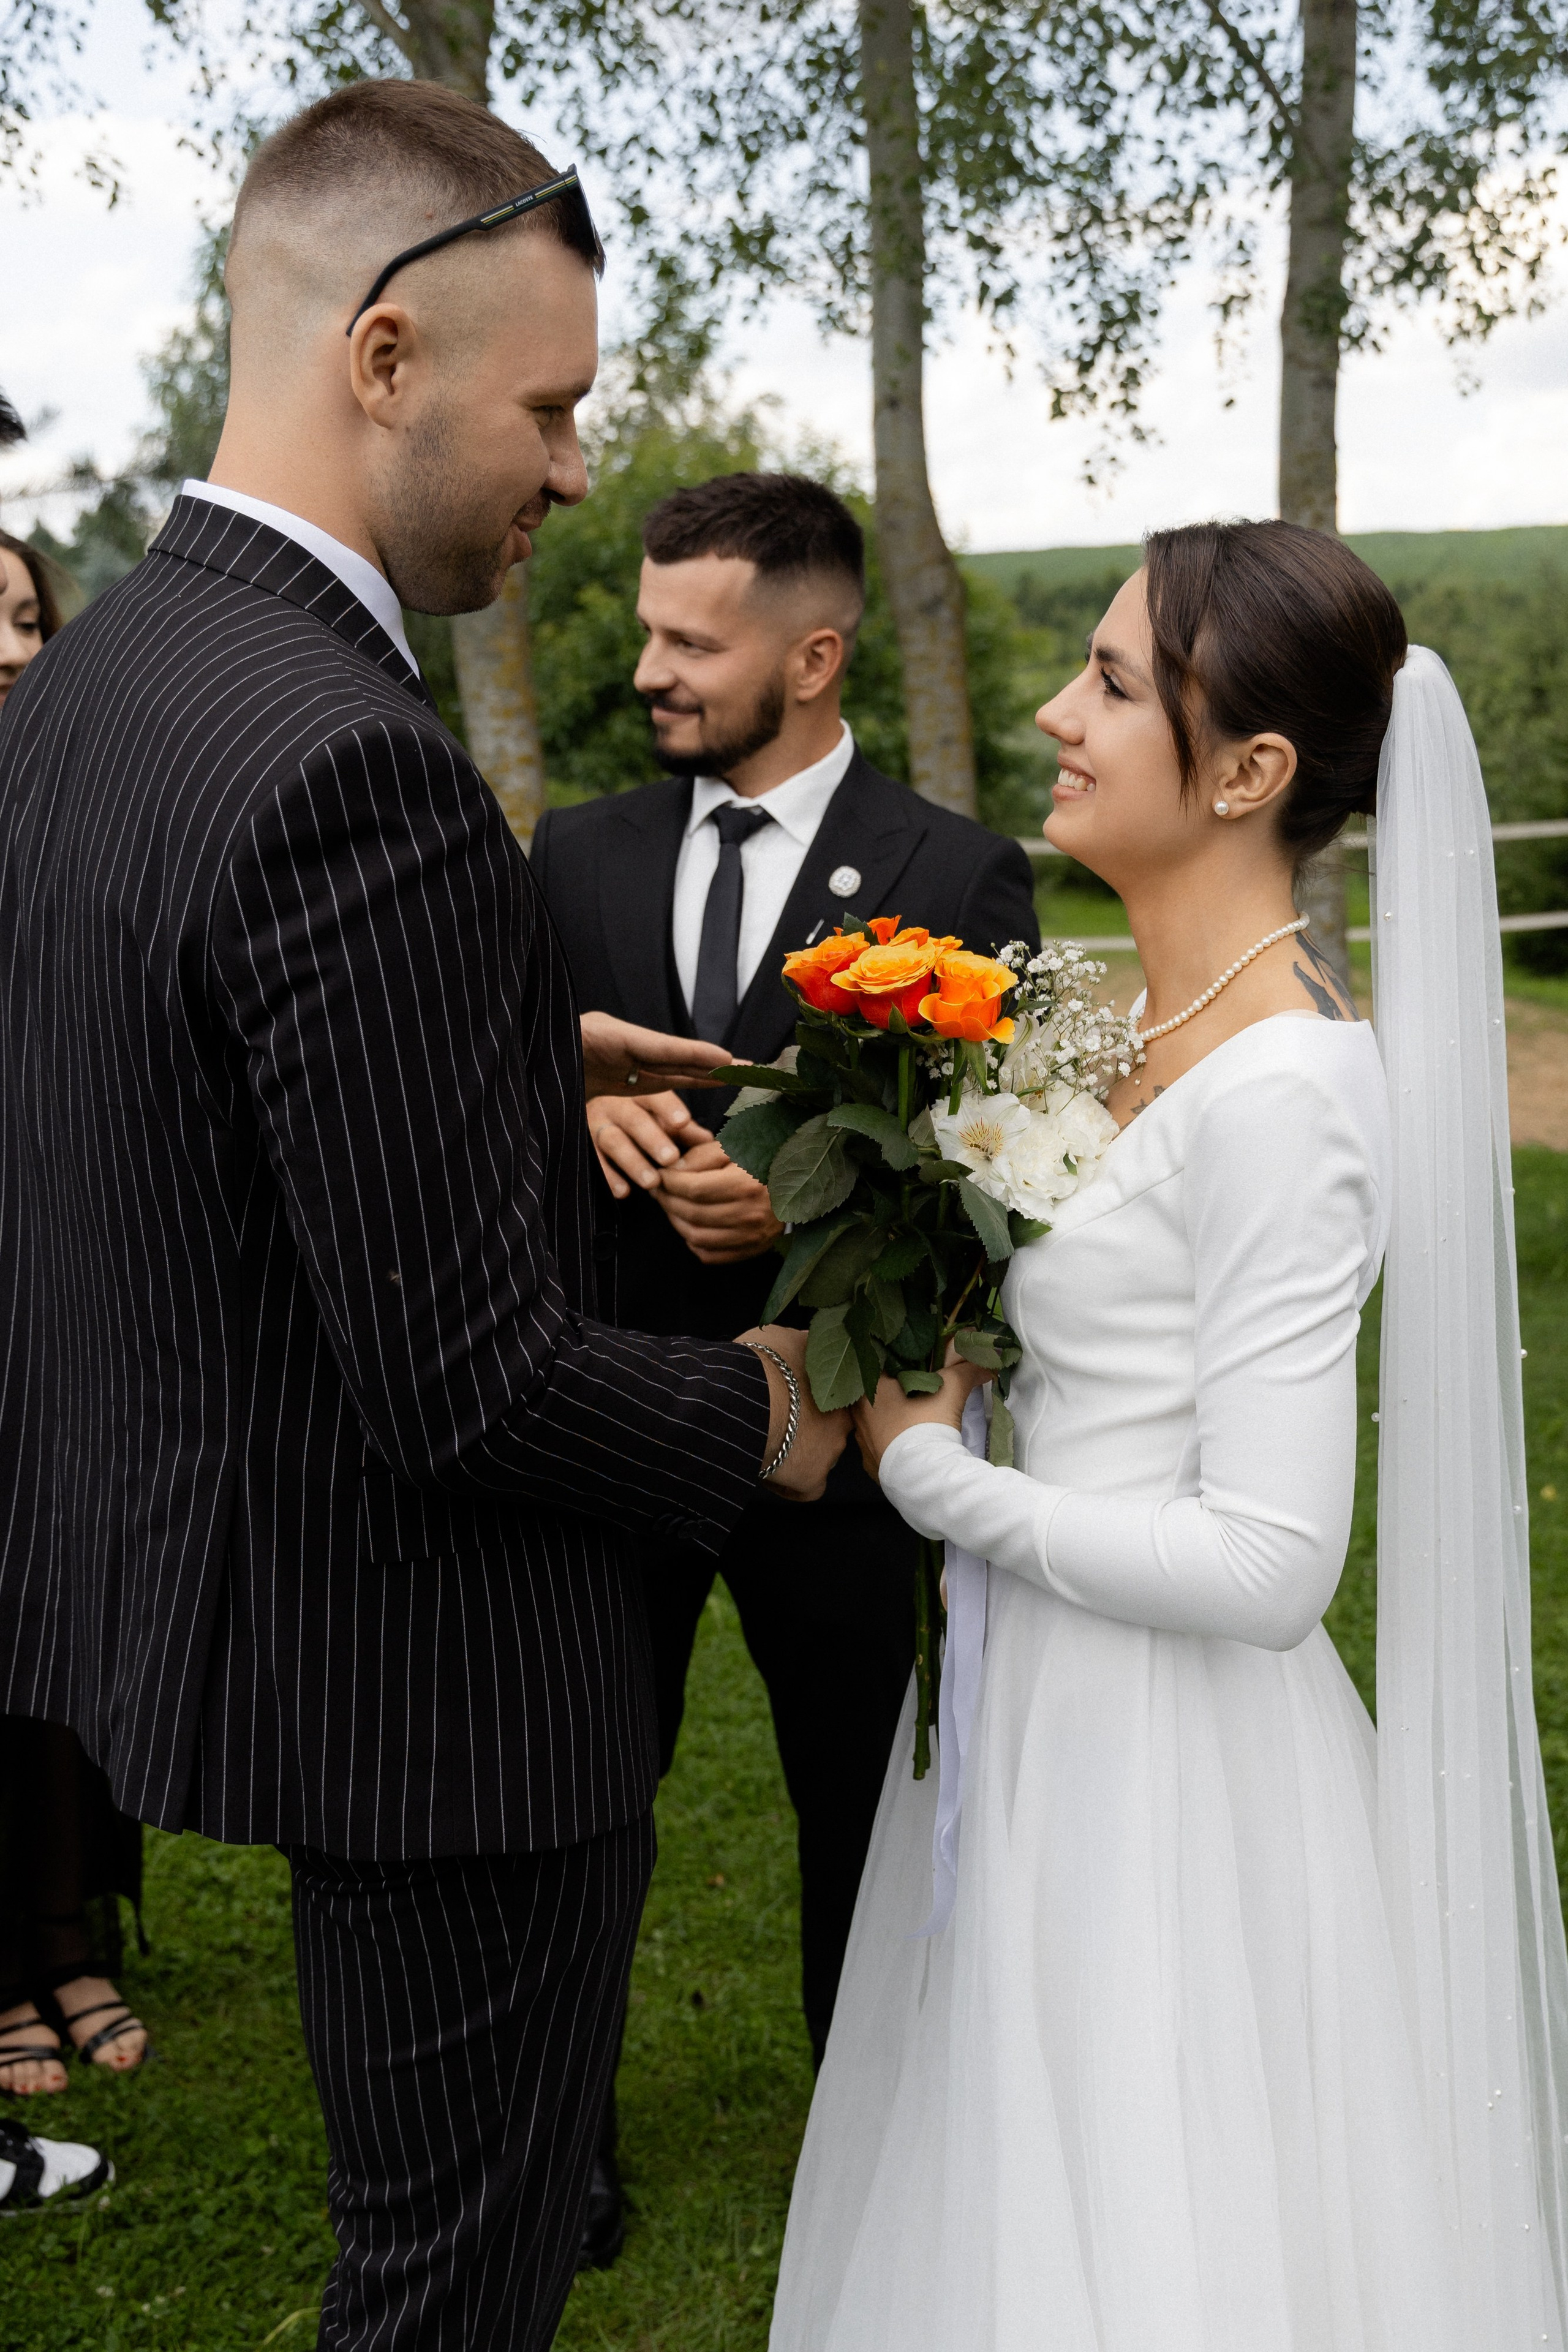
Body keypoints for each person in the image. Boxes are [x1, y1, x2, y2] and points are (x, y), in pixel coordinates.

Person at [0, 80, 846, 2349]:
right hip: (447, 1690)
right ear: (386, 357)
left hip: (229, 1603)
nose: (578, 470)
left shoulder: (89, 690)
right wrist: (755, 1406)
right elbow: (470, 1382)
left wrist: (495, 1043)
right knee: (448, 2289)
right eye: (553, 407)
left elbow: (127, 1053)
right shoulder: (351, 750)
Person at [770, 521, 1568, 2348]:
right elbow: (1049, 1313)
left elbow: (1274, 1564)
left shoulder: (1291, 1090)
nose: (1058, 710)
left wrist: (928, 1474)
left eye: (1116, 683)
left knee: (1148, 2215)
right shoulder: (1107, 1016)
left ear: (1251, 772)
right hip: (1031, 1698)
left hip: (1164, 1761)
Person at [532, 468, 1038, 2258]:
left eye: (694, 637)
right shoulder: (571, 857)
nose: (655, 665)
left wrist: (807, 1226)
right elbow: (492, 1109)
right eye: (653, 629)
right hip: (607, 1410)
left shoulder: (954, 874)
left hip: (835, 1436)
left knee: (861, 1795)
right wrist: (573, 1114)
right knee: (584, 1788)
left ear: (814, 656)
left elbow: (991, 1177)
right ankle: (554, 2153)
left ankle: (872, 2145)